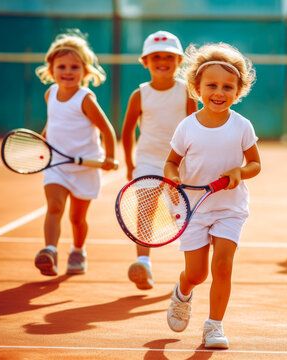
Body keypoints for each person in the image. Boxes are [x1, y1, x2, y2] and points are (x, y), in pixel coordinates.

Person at [163, 42, 261, 349]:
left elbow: (255, 164)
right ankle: (182, 291)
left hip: (230, 209)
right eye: (212, 86)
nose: (219, 92)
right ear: (196, 88)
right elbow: (171, 162)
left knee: (222, 266)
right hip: (193, 210)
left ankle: (214, 326)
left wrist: (239, 172)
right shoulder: (186, 127)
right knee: (196, 274)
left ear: (238, 91)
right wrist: (173, 177)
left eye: (228, 87)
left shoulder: (242, 126)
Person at [33, 29, 118, 276]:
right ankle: (49, 251)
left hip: (86, 167)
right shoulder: (50, 94)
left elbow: (107, 129)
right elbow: (54, 122)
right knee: (54, 207)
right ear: (51, 70)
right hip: (57, 164)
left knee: (77, 219)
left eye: (74, 67)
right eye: (62, 67)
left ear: (84, 71)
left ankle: (78, 250)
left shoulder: (85, 98)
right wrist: (44, 138)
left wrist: (110, 157)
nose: (68, 72)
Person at [121, 30, 197, 290]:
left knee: (183, 217)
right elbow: (128, 130)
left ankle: (191, 269)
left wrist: (192, 162)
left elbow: (194, 127)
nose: (162, 61)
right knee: (145, 211)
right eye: (156, 57)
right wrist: (130, 163)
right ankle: (143, 263)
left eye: (169, 56)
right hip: (147, 161)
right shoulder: (139, 94)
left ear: (178, 62)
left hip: (179, 164)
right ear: (145, 61)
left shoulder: (187, 92)